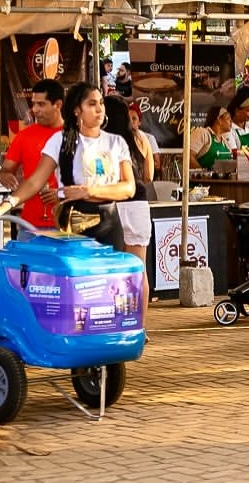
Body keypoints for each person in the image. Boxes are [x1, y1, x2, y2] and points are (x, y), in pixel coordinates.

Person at [0, 82, 135, 251]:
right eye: (91, 104)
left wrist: (90, 191)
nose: (99, 109)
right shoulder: (60, 140)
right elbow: (34, 182)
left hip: (110, 222)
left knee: (112, 275)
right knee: (74, 275)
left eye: (101, 103)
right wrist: (2, 207)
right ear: (77, 110)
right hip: (73, 222)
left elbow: (129, 187)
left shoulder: (116, 142)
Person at [104, 96, 152, 331]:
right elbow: (149, 174)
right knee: (138, 269)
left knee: (112, 269)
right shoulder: (139, 139)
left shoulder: (103, 141)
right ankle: (139, 328)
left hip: (113, 202)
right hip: (139, 204)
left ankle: (116, 323)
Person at [0, 79, 64, 233]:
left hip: (67, 224)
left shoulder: (75, 135)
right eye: (33, 104)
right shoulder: (24, 136)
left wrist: (62, 193)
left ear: (58, 105)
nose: (35, 109)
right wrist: (4, 175)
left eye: (41, 104)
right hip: (30, 224)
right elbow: (5, 170)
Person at [128, 103, 160, 180]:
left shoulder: (148, 138)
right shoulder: (121, 139)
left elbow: (157, 164)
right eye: (128, 119)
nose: (131, 122)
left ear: (140, 122)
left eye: (134, 118)